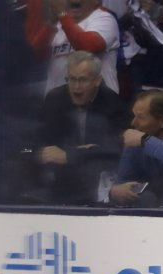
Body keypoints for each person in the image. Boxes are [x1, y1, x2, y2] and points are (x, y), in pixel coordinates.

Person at [34, 50, 127, 204]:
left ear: (97, 80)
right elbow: (29, 144)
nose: (76, 87)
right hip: (60, 178)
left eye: (83, 80)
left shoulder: (111, 102)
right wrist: (39, 152)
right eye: (72, 79)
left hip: (97, 181)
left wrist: (70, 155)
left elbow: (112, 150)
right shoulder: (54, 100)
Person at [109, 89, 163, 206]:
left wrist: (146, 141)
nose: (133, 123)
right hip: (153, 215)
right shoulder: (137, 141)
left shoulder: (142, 139)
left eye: (141, 117)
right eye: (134, 116)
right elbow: (123, 181)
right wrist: (115, 192)